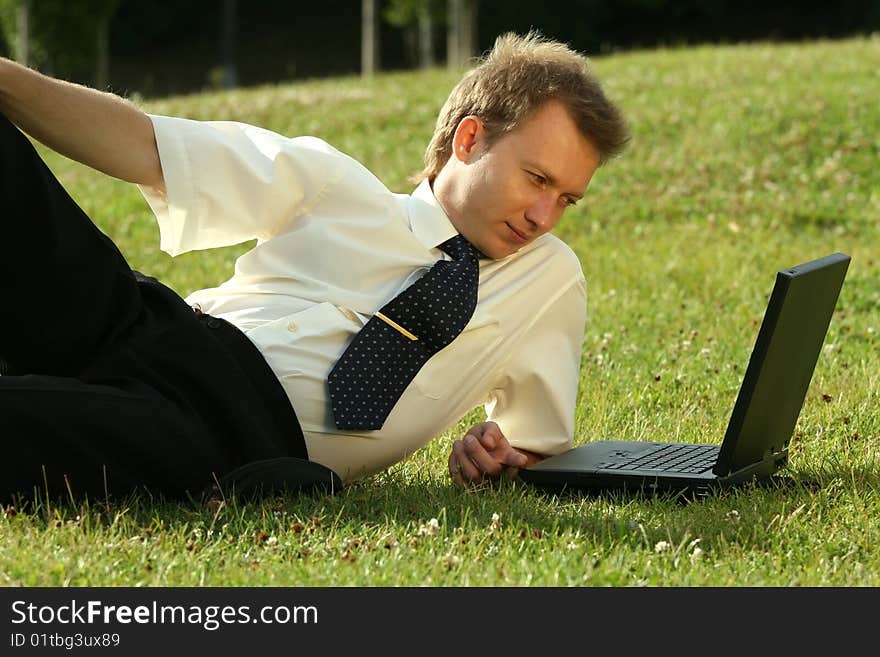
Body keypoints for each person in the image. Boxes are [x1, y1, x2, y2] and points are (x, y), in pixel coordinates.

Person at [0, 31, 629, 501]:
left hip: (230, 438)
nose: (546, 215)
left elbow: (532, 449)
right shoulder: (333, 186)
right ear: (469, 140)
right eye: (538, 179)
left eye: (567, 198)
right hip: (164, 328)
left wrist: (493, 456)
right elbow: (147, 146)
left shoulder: (544, 278)